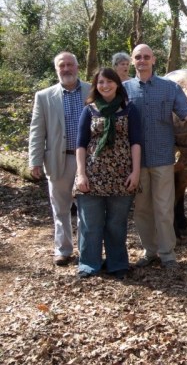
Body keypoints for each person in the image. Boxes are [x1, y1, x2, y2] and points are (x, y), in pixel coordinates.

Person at [124, 44, 187, 270]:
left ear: (154, 60)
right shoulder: (124, 89)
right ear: (132, 61)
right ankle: (149, 251)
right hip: (136, 161)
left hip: (162, 157)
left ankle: (167, 253)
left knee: (164, 207)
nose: (142, 61)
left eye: (146, 57)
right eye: (138, 57)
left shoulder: (170, 88)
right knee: (141, 209)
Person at [74, 68, 142, 280]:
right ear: (96, 85)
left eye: (109, 81)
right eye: (101, 82)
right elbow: (81, 144)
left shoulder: (129, 109)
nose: (105, 85)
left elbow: (136, 143)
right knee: (90, 224)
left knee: (116, 224)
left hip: (122, 176)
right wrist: (81, 174)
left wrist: (136, 172)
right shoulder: (90, 110)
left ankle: (117, 264)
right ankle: (88, 264)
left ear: (117, 84)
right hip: (92, 176)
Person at [29, 52, 91, 266]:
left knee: (88, 208)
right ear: (57, 69)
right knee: (61, 208)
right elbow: (37, 131)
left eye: (70, 65)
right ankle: (63, 249)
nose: (66, 69)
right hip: (58, 160)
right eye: (61, 66)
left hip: (90, 161)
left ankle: (87, 250)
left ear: (77, 66)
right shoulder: (44, 96)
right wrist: (35, 160)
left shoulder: (93, 90)